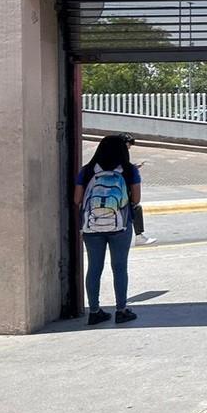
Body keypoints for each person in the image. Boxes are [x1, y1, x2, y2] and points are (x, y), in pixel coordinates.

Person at [75, 134, 142, 325]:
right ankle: (121, 310)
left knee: (94, 267)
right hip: (120, 226)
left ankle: (94, 311)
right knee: (119, 267)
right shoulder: (129, 171)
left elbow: (77, 199)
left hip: (92, 226)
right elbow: (136, 200)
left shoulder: (87, 171)